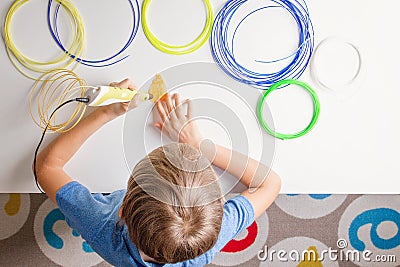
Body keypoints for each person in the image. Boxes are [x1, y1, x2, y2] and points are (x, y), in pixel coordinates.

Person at [35, 78, 281, 266]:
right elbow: (269, 183)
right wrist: (202, 147)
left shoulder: (99, 225)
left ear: (122, 209)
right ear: (218, 212)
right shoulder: (208, 240)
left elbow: (47, 167)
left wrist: (107, 112)